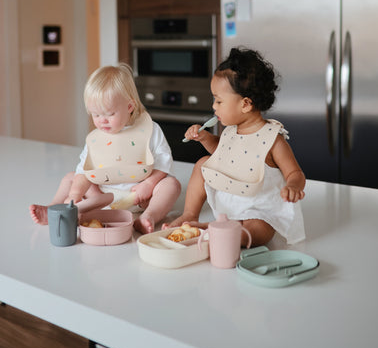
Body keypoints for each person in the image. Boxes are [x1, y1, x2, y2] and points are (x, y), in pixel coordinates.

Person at [165, 48, 305, 247]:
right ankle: (190, 215)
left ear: (246, 104)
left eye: (219, 100)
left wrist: (293, 186)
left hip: (259, 209)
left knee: (258, 230)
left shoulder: (273, 139)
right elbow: (223, 154)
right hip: (230, 199)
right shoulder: (231, 130)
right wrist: (205, 138)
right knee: (203, 163)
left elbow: (295, 173)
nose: (214, 106)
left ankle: (221, 232)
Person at [30, 63, 181, 234]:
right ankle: (56, 210)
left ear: (129, 106)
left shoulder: (150, 129)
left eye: (109, 114)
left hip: (138, 196)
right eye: (96, 114)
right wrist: (75, 194)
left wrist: (149, 183)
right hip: (100, 197)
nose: (102, 121)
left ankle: (148, 217)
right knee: (71, 178)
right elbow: (83, 170)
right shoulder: (97, 138)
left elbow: (163, 160)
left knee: (171, 184)